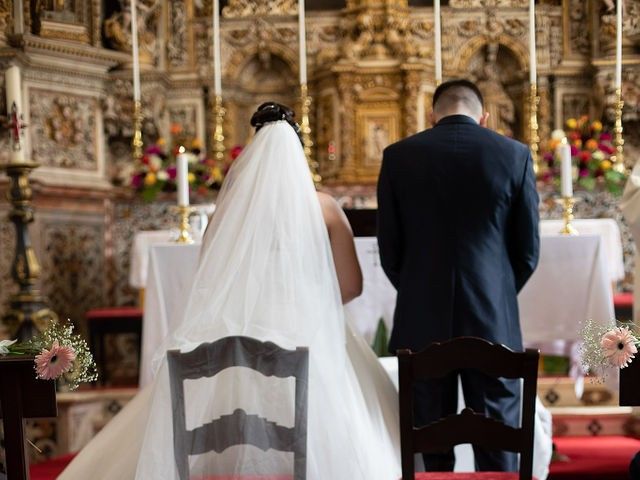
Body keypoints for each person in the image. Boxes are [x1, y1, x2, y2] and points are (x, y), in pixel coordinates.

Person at [59, 103, 400, 479]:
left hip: (231, 333)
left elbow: (212, 279)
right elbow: (351, 287)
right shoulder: (326, 209)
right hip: (310, 339)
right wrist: (310, 301)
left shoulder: (228, 212)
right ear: (299, 153)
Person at [377, 79, 540, 472]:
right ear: (483, 116)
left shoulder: (399, 157)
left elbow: (390, 249)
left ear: (432, 116)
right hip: (492, 318)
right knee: (499, 434)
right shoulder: (514, 155)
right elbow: (528, 251)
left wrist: (420, 288)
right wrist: (497, 291)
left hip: (422, 314)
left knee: (429, 435)